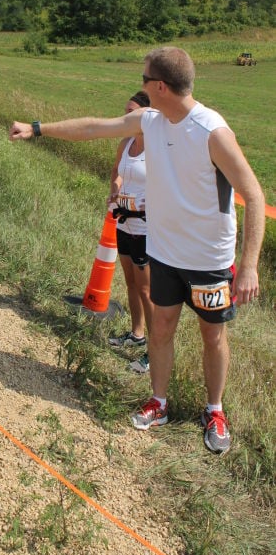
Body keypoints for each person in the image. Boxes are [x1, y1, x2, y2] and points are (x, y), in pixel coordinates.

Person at [10, 46, 265, 455]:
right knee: (161, 329)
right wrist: (38, 128)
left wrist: (248, 266)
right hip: (164, 253)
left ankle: (214, 410)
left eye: (145, 79)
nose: (141, 84)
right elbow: (95, 127)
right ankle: (158, 402)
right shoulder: (152, 121)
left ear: (160, 86)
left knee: (212, 337)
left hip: (208, 262)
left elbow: (253, 194)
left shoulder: (211, 131)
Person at [107, 91, 152, 375]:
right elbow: (116, 172)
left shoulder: (158, 149)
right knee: (131, 283)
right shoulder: (126, 143)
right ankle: (137, 335)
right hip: (123, 221)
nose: (126, 117)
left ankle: (153, 352)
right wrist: (115, 190)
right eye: (125, 111)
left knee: (148, 290)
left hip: (147, 228)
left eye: (131, 113)